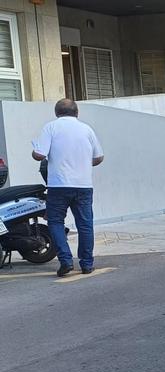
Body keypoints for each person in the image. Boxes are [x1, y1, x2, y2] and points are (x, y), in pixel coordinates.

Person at [31, 99, 105, 277]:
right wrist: (83, 163)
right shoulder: (87, 129)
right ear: (76, 112)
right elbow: (99, 157)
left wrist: (35, 151)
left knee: (55, 222)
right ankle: (87, 264)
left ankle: (65, 261)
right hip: (84, 186)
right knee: (85, 225)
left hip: (59, 185)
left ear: (57, 113)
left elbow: (40, 155)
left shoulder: (51, 127)